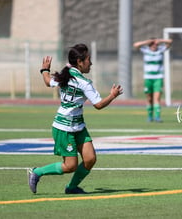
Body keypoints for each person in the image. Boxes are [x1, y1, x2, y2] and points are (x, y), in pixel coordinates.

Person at [28, 43, 123, 194]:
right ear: (80, 62)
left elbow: (47, 81)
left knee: (90, 159)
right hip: (63, 127)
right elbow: (98, 105)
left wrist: (45, 69)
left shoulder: (64, 76)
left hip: (78, 126)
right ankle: (37, 172)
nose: (90, 63)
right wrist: (112, 95)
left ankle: (71, 188)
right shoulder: (84, 83)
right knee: (70, 166)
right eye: (88, 60)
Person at [133, 37, 173, 122]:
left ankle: (157, 117)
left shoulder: (161, 50)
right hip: (148, 78)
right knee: (149, 98)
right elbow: (135, 45)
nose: (155, 45)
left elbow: (170, 42)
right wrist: (147, 41)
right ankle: (150, 116)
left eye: (156, 44)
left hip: (158, 77)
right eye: (153, 44)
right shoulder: (146, 50)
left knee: (157, 98)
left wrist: (160, 40)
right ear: (150, 44)